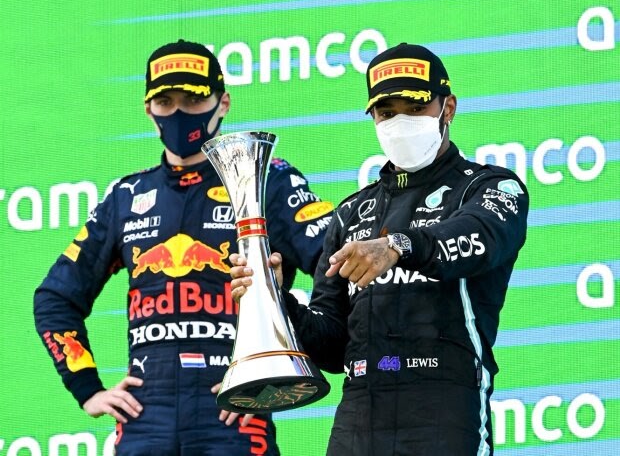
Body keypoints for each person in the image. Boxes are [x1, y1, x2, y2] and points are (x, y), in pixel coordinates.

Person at [33, 39, 333, 455]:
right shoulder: (126, 196)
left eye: (193, 99)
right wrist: (87, 388)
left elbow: (334, 266)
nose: (178, 112)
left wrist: (272, 374)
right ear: (148, 109)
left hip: (234, 415)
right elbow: (55, 298)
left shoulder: (265, 180)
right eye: (165, 101)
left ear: (222, 102)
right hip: (145, 417)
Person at [230, 43, 529, 455]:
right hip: (358, 415)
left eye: (415, 108)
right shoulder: (350, 213)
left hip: (443, 409)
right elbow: (333, 346)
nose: (401, 122)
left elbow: (480, 239)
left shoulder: (489, 187)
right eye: (387, 113)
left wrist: (398, 245)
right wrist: (276, 298)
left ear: (448, 108)